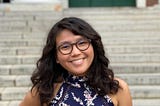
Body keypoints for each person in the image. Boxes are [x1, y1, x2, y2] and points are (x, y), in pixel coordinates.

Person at [19, 17, 132, 106]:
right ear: (56, 57)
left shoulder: (117, 88)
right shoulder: (43, 92)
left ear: (94, 47)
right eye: (65, 47)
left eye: (82, 43)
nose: (75, 52)